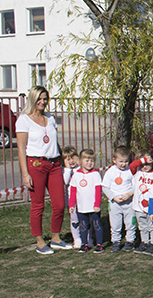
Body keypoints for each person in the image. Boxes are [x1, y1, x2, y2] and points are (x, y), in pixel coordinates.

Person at [15, 86, 68, 254]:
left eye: (45, 99)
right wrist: (25, 174)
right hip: (36, 165)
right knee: (38, 205)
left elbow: (53, 141)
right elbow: (21, 148)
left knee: (59, 204)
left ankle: (56, 237)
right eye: (39, 98)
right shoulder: (24, 120)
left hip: (54, 165)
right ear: (33, 99)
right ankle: (39, 241)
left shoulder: (50, 118)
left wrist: (62, 159)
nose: (43, 102)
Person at [69, 148, 104, 253]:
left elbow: (98, 190)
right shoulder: (76, 175)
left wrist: (97, 204)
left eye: (92, 161)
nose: (90, 163)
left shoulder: (95, 174)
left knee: (97, 224)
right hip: (81, 206)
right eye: (87, 161)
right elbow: (73, 191)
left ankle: (100, 244)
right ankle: (84, 244)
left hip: (94, 207)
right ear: (80, 161)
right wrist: (72, 205)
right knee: (83, 225)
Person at [102, 146, 137, 252]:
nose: (123, 164)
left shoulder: (130, 171)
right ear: (114, 160)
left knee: (130, 223)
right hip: (115, 204)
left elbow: (135, 186)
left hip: (129, 203)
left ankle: (130, 241)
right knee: (115, 224)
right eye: (120, 161)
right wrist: (113, 197)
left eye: (126, 161)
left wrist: (130, 193)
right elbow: (105, 187)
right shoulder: (110, 171)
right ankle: (116, 241)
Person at [132, 152, 153, 254]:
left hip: (151, 207)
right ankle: (144, 242)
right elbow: (132, 166)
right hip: (138, 206)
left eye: (148, 164)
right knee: (142, 226)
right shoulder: (137, 173)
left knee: (151, 226)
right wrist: (142, 160)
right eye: (143, 164)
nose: (145, 166)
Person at [62, 146, 81, 250]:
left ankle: (88, 237)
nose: (71, 161)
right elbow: (65, 181)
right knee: (74, 219)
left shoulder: (81, 169)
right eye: (68, 159)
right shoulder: (65, 170)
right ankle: (77, 238)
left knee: (86, 218)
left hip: (82, 199)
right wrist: (68, 169)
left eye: (73, 158)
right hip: (71, 201)